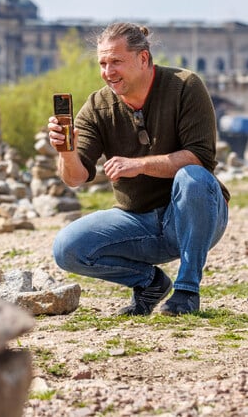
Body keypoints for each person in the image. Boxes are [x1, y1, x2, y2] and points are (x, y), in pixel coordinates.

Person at [48, 22, 229, 316]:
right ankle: (150, 283)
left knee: (192, 178)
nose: (108, 72)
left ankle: (186, 291)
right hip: (139, 223)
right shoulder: (97, 106)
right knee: (67, 248)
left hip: (195, 215)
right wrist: (66, 151)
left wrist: (139, 165)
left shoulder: (185, 86)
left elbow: (200, 159)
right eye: (103, 63)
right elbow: (75, 178)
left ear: (143, 58)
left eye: (116, 61)